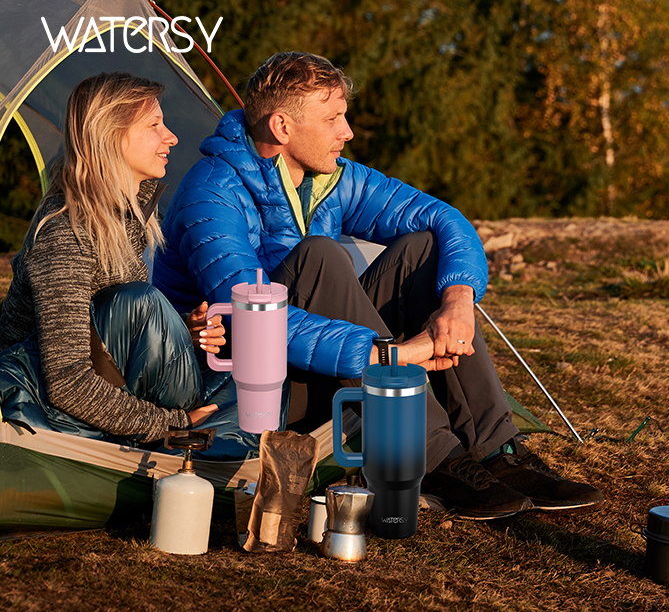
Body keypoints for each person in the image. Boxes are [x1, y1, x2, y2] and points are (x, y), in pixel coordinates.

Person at [152, 52, 603, 520]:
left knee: (424, 250)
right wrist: (393, 353)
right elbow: (251, 319)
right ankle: (429, 456)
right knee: (318, 258)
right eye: (332, 119)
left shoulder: (329, 179)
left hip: (321, 362)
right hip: (246, 389)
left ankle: (495, 452)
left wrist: (459, 299)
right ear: (282, 128)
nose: (347, 132)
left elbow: (446, 219)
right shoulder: (213, 193)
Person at [0, 72, 226, 443]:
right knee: (141, 302)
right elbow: (67, 381)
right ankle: (202, 450)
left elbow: (107, 334)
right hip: (39, 407)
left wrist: (181, 331)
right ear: (111, 136)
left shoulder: (125, 215)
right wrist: (171, 424)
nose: (171, 137)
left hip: (105, 387)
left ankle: (221, 446)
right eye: (154, 124)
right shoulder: (64, 233)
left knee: (251, 369)